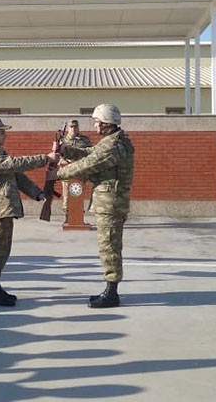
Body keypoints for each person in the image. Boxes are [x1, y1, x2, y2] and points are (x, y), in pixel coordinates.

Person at [57, 104, 135, 308]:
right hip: (109, 202)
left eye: (97, 122)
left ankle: (112, 293)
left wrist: (58, 173)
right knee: (108, 246)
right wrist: (67, 149)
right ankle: (110, 289)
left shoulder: (112, 146)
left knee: (109, 246)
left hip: (111, 204)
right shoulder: (113, 141)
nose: (94, 125)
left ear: (108, 124)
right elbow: (89, 152)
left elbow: (89, 163)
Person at [0, 117, 56, 307]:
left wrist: (37, 193)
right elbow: (14, 164)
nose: (5, 135)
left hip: (4, 209)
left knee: (3, 250)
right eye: (2, 132)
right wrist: (45, 158)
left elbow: (18, 177)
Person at [60, 119, 93, 215]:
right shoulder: (63, 141)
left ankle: (78, 215)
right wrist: (62, 161)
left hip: (80, 172)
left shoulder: (85, 140)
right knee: (67, 196)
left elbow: (90, 154)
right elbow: (57, 156)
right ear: (68, 129)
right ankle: (68, 215)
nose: (74, 129)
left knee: (78, 193)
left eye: (75, 127)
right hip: (67, 172)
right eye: (71, 127)